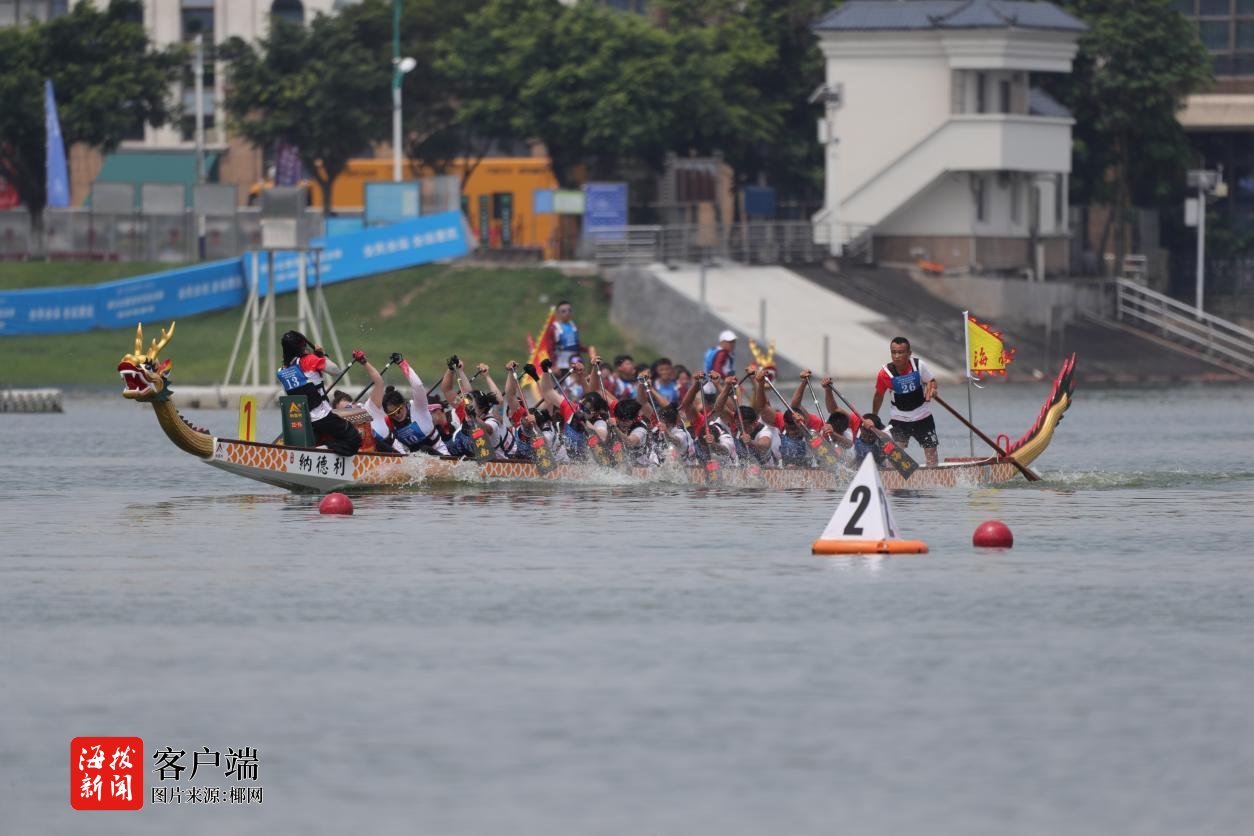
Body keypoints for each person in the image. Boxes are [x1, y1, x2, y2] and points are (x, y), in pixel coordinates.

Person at [276, 330, 361, 457]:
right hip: (322, 417)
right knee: (354, 439)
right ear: (302, 346)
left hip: (301, 420)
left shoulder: (281, 371)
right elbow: (336, 371)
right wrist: (323, 355)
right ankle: (322, 450)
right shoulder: (310, 360)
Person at [871, 336, 940, 467]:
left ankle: (933, 481)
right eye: (893, 352)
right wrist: (874, 416)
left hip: (923, 416)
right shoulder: (884, 374)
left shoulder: (919, 365)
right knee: (894, 455)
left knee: (931, 454)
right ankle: (898, 480)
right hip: (899, 419)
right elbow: (878, 395)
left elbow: (931, 381)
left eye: (901, 352)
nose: (896, 356)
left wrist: (932, 389)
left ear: (909, 353)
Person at [550, 300, 583, 374]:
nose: (567, 313)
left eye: (569, 310)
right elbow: (550, 348)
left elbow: (577, 346)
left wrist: (588, 349)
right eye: (563, 311)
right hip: (560, 364)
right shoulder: (555, 328)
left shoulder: (574, 326)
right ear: (558, 313)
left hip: (574, 363)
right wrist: (553, 365)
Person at [702, 330, 736, 397]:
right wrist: (729, 379)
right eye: (729, 342)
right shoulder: (722, 354)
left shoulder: (716, 351)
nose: (732, 344)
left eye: (733, 342)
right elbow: (717, 370)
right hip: (718, 387)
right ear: (722, 342)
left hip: (710, 386)